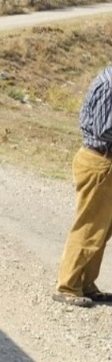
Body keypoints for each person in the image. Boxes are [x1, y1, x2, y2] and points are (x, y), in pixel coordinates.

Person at [54, 63, 112, 307]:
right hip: (100, 160)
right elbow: (102, 130)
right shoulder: (110, 84)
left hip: (104, 161)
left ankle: (86, 282)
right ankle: (68, 285)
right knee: (88, 225)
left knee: (102, 228)